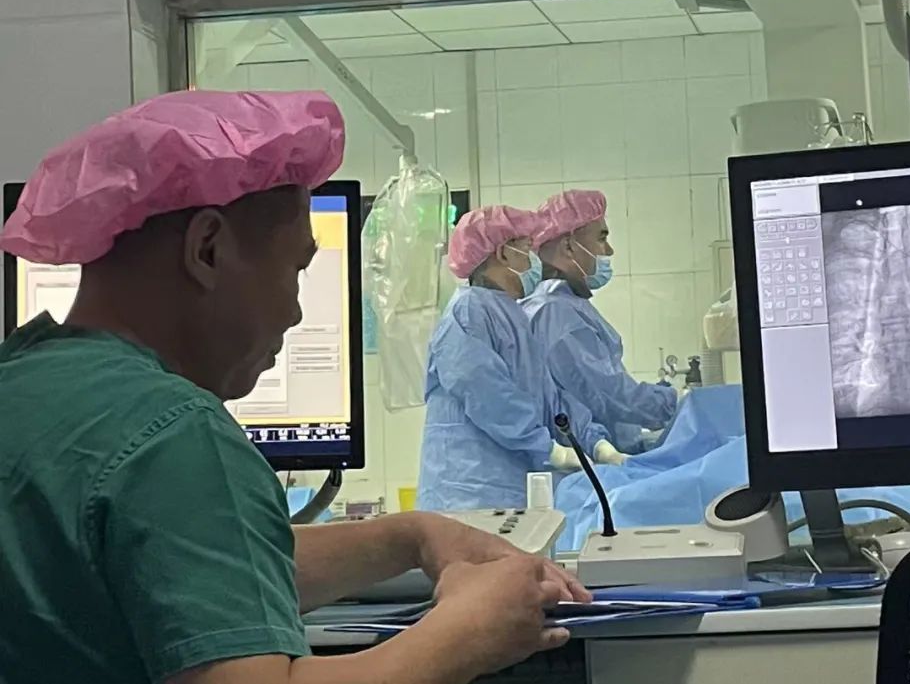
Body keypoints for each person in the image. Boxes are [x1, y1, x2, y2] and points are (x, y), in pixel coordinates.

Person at [0, 91, 589, 684]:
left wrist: (411, 536)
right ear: (207, 249)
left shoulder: (24, 385)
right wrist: (467, 634)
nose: (296, 311)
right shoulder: (173, 434)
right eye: (295, 269)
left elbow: (194, 565)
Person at [418, 205, 622, 512]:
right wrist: (549, 449)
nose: (535, 261)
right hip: (470, 491)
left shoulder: (511, 314)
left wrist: (594, 441)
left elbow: (548, 397)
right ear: (503, 253)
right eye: (527, 249)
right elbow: (487, 394)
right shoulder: (469, 312)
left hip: (508, 490)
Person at [524, 189, 677, 453]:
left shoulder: (563, 304)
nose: (609, 250)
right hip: (593, 464)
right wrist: (676, 404)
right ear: (569, 246)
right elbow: (605, 393)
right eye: (602, 238)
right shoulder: (554, 313)